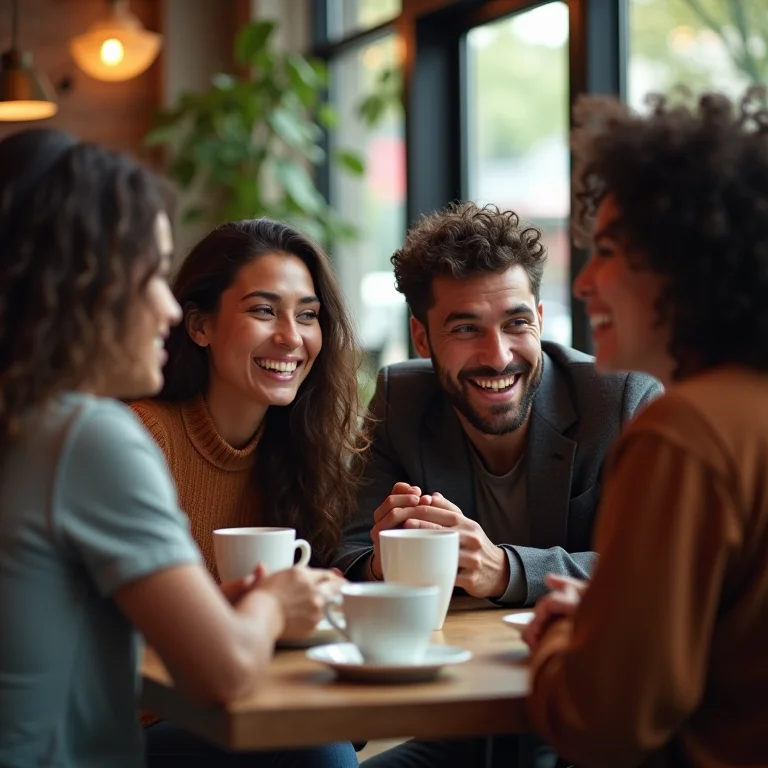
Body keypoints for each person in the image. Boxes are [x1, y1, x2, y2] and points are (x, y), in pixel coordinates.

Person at [0, 129, 355, 768]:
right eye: (149, 276)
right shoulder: (92, 437)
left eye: (307, 315)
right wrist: (274, 603)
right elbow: (225, 672)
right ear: (80, 287)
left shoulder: (27, 426)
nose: (166, 307)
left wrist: (215, 610)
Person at [337, 201, 661, 767]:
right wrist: (382, 561)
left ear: (539, 315)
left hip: (593, 720)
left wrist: (504, 568)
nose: (498, 355)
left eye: (517, 323)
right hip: (465, 717)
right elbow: (345, 552)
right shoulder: (400, 398)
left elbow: (654, 569)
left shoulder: (621, 397)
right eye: (465, 329)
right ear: (422, 336)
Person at [523, 87, 768, 767]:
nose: (583, 283)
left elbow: (602, 722)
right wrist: (608, 625)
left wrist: (559, 644)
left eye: (606, 250)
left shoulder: (683, 433)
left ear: (682, 260)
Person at [129, 218, 366, 760]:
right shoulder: (142, 440)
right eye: (264, 310)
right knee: (315, 746)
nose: (291, 336)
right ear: (199, 326)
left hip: (246, 704)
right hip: (138, 724)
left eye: (307, 315)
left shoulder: (305, 451)